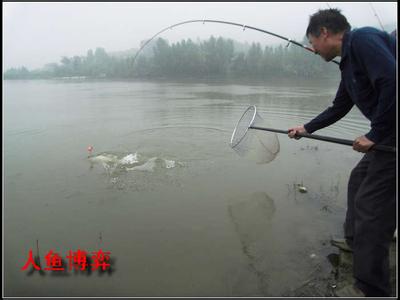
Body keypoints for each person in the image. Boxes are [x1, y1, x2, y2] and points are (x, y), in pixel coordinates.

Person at [288, 9, 396, 297]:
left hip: (391, 137)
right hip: (386, 133)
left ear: (324, 33)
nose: (312, 49)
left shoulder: (362, 39)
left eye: (312, 41)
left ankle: (373, 289)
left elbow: (392, 81)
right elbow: (340, 106)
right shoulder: (348, 64)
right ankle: (355, 243)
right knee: (357, 181)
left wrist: (373, 135)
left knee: (371, 209)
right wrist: (306, 128)